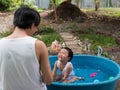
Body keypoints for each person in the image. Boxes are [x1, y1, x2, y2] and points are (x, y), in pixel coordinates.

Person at [0, 6, 53, 90]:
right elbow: (48, 80)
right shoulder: (38, 45)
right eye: (36, 27)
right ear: (32, 25)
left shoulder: (1, 43)